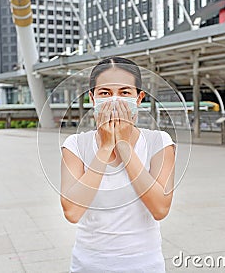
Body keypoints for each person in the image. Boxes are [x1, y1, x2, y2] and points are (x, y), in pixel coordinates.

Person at [60, 56, 176, 273]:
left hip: (145, 264)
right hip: (88, 264)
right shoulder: (75, 145)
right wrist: (105, 148)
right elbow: (72, 212)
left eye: (124, 92)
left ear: (139, 98)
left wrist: (123, 145)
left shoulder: (159, 142)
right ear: (92, 99)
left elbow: (160, 208)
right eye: (105, 93)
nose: (114, 100)